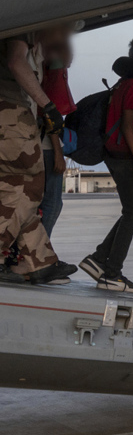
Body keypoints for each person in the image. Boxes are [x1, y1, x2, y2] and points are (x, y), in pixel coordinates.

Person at [80, 37, 133, 292]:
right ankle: (111, 272)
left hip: (114, 154)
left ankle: (98, 260)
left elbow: (126, 118)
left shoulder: (123, 84)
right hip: (124, 157)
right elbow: (127, 126)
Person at [0, 27, 76, 285]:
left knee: (20, 192)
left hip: (9, 115)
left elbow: (63, 60)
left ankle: (40, 260)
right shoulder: (23, 25)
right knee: (29, 187)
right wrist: (47, 105)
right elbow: (15, 61)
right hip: (10, 113)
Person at [38, 34, 75, 236]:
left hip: (39, 140)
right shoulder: (54, 67)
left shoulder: (40, 65)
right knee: (52, 203)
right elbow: (49, 110)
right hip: (46, 144)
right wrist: (58, 152)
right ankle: (41, 254)